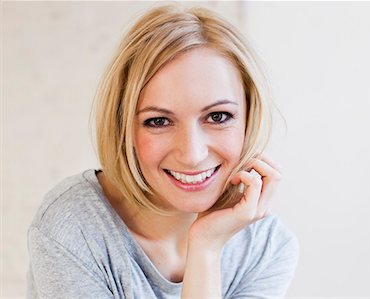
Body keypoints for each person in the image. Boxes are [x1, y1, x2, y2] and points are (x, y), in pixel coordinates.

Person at [27, 3, 299, 298]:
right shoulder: (73, 229)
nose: (192, 154)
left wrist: (205, 246)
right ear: (125, 128)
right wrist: (206, 248)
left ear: (249, 117)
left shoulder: (265, 249)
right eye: (158, 121)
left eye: (218, 116)